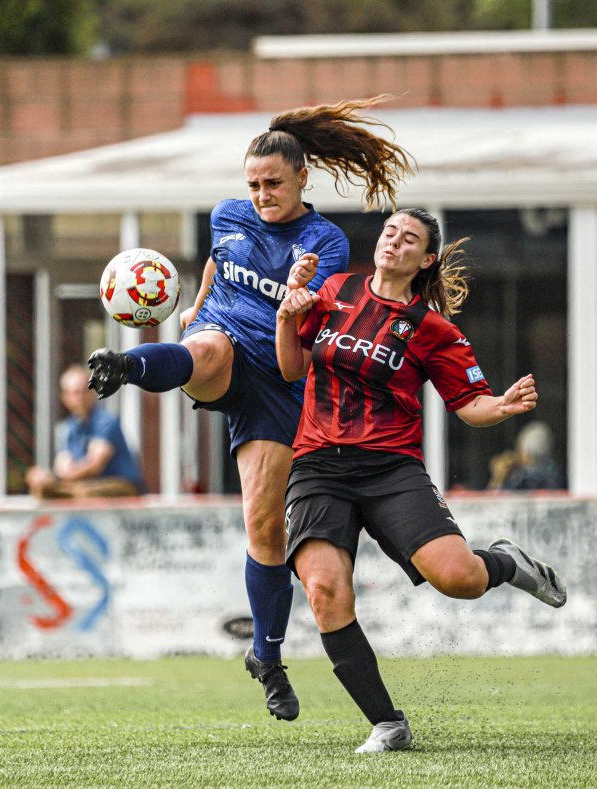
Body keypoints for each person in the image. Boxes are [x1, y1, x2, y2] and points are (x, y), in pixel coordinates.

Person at [86, 95, 415, 722]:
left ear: (301, 180)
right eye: (254, 184)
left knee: (265, 528)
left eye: (272, 183)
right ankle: (130, 365)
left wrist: (298, 292)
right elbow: (217, 263)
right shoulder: (227, 216)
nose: (261, 194)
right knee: (205, 348)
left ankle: (266, 656)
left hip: (281, 380)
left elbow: (314, 312)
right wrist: (197, 304)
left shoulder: (325, 241)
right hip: (220, 345)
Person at [274, 208, 567, 753]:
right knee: (323, 591)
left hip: (390, 469)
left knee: (460, 579)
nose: (394, 241)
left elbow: (468, 404)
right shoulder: (336, 288)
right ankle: (387, 723)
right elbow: (292, 369)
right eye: (390, 232)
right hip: (318, 466)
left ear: (425, 258)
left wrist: (500, 407)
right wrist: (286, 315)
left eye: (409, 238)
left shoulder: (432, 328)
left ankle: (506, 562)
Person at [26, 366, 145, 499]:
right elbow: (62, 465)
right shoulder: (68, 428)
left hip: (121, 485)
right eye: (74, 392)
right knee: (38, 482)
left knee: (84, 493)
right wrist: (45, 479)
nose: (80, 397)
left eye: (84, 391)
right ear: (64, 397)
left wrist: (57, 481)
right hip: (85, 485)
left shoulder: (106, 422)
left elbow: (94, 465)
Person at [487, 420, 564, 491]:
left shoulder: (524, 477)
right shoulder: (551, 470)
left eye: (519, 450)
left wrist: (498, 478)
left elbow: (495, 500)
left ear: (527, 454)